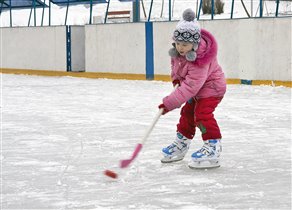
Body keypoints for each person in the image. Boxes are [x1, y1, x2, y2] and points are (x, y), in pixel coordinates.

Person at [158, 8, 226, 169]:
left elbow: (191, 85)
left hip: (211, 89)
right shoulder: (178, 53)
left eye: (185, 44)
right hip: (197, 90)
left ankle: (212, 146)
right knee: (187, 113)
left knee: (201, 115)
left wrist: (169, 103)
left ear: (194, 44)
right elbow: (176, 68)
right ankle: (182, 143)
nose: (181, 48)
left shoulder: (200, 60)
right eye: (178, 43)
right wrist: (176, 80)